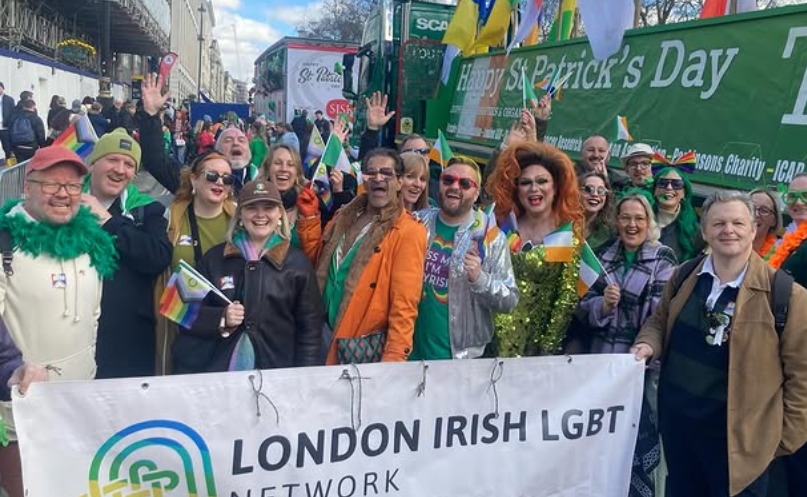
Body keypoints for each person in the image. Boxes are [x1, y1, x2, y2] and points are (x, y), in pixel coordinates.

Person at [632, 190, 807, 497]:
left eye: (738, 223)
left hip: (740, 449)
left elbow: (802, 379)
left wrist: (777, 444)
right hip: (680, 435)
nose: (728, 230)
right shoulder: (684, 275)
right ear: (705, 231)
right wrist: (648, 345)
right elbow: (658, 322)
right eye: (718, 223)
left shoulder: (787, 295)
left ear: (753, 229)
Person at [0, 146, 116, 497]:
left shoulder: (91, 240)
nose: (63, 193)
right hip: (20, 413)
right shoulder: (5, 241)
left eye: (73, 185)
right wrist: (11, 371)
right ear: (27, 188)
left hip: (79, 405)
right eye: (51, 184)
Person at [578, 190, 677, 497]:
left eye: (639, 218)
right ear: (616, 221)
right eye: (625, 218)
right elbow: (581, 306)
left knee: (638, 442)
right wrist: (604, 306)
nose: (632, 225)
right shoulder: (603, 255)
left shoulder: (663, 257)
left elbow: (661, 315)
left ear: (649, 222)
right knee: (602, 437)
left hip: (643, 367)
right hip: (602, 363)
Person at [172, 179, 322, 374]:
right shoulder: (214, 258)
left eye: (268, 207)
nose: (260, 215)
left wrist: (305, 378)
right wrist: (221, 318)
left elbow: (310, 331)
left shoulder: (298, 263)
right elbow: (177, 308)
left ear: (279, 214)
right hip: (217, 375)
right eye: (252, 208)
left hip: (276, 376)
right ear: (240, 215)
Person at [298, 148, 427, 364]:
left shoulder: (409, 231)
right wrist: (309, 219)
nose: (378, 178)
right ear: (363, 179)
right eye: (371, 172)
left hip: (355, 344)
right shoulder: (343, 215)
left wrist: (394, 359)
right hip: (318, 331)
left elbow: (404, 306)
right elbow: (316, 263)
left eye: (386, 173)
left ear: (399, 182)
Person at [80, 129, 172, 378]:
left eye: (129, 164)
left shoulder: (146, 209)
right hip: (73, 330)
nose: (120, 170)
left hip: (126, 339)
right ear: (93, 163)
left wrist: (109, 221)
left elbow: (158, 257)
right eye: (112, 159)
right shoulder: (67, 203)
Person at [412, 157, 518, 360]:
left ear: (476, 193)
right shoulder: (418, 221)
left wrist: (480, 279)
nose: (454, 187)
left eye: (465, 183)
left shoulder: (490, 237)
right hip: (407, 352)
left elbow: (509, 301)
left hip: (458, 360)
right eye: (448, 180)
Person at [485, 142, 580, 356]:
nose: (534, 189)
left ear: (556, 187)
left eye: (542, 181)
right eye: (525, 182)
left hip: (532, 351)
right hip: (488, 340)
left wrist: (547, 348)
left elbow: (565, 299)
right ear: (516, 189)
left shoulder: (563, 236)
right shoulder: (503, 226)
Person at [154, 151, 236, 375]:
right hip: (183, 326)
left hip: (230, 327)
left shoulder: (240, 219)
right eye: (212, 175)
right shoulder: (171, 218)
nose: (220, 182)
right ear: (194, 179)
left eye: (227, 178)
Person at [137, 74, 260, 195]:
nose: (236, 143)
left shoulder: (261, 181)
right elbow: (156, 161)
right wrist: (151, 115)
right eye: (228, 140)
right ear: (217, 150)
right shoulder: (196, 180)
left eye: (241, 140)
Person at [261, 142, 353, 244]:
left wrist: (338, 191)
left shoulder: (310, 200)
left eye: (290, 164)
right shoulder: (255, 200)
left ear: (297, 172)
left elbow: (331, 232)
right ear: (268, 168)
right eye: (278, 163)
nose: (284, 169)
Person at [653, 165, 704, 262]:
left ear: (684, 193)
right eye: (662, 183)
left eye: (676, 184)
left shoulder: (696, 231)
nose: (669, 187)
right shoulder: (640, 219)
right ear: (655, 191)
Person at [579, 172, 615, 252]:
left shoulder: (610, 234)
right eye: (589, 189)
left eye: (601, 191)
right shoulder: (560, 224)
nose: (595, 194)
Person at [750, 188, 781, 260]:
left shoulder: (780, 256)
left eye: (764, 210)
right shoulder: (726, 245)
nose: (756, 214)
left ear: (774, 220)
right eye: (751, 208)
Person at [0, 84, 13, 163]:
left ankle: (10, 164)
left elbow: (12, 113)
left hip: (5, 127)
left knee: (7, 148)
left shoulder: (9, 99)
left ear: (3, 88)